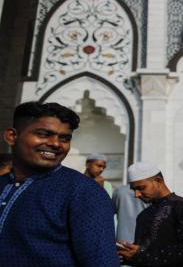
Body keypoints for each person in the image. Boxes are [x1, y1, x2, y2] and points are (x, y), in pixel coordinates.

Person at [0, 101, 118, 266]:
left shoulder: (83, 192)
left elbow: (102, 262)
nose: (56, 144)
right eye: (43, 134)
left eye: (64, 138)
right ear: (12, 136)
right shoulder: (3, 184)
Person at [118, 161, 183, 267]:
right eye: (134, 190)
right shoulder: (144, 215)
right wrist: (126, 255)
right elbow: (142, 253)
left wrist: (143, 254)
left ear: (158, 181)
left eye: (141, 188)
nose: (137, 195)